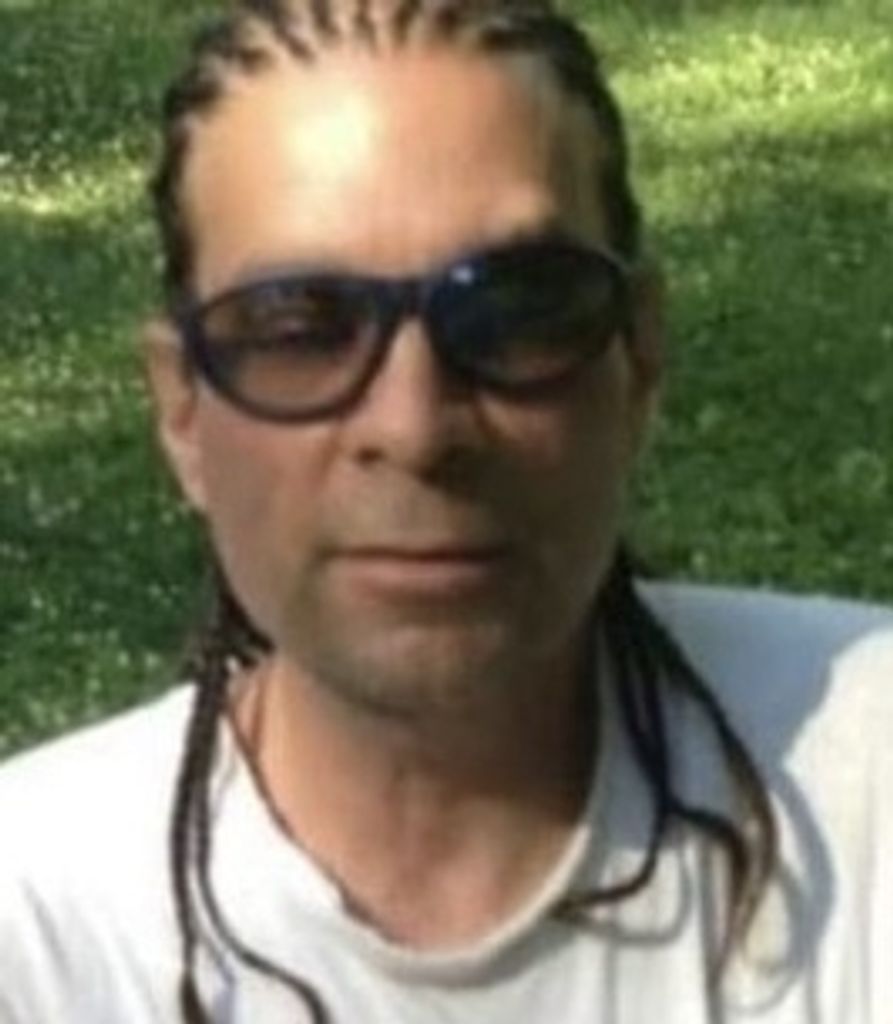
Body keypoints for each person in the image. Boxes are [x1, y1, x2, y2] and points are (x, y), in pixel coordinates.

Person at [1, 1, 891, 1021]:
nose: (415, 426)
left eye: (517, 311)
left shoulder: (867, 795)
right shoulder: (37, 934)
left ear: (638, 361)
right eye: (297, 329)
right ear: (182, 412)